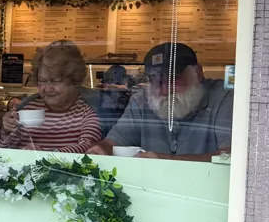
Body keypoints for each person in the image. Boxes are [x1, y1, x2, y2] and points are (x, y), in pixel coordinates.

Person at [87, 42, 233, 160]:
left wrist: (166, 161)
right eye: (156, 81)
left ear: (198, 73)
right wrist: (102, 148)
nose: (164, 91)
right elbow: (115, 141)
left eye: (173, 79)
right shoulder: (142, 100)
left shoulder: (224, 97)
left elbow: (230, 156)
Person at [0, 42, 101, 153]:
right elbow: (0, 153)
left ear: (74, 81)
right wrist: (5, 132)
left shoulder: (86, 112)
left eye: (56, 81)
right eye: (42, 81)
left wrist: (45, 155)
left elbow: (88, 148)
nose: (48, 89)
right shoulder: (28, 109)